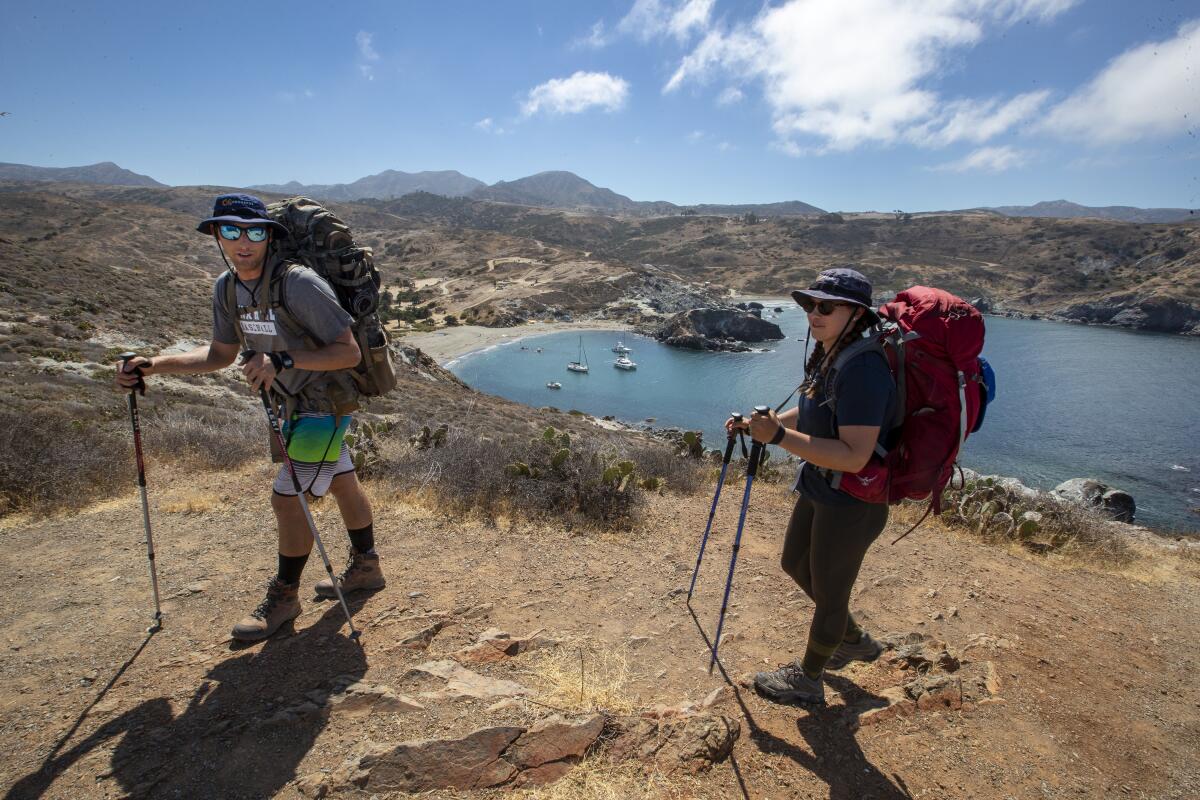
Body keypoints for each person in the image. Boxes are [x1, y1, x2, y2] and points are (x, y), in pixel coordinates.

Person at [115, 193, 385, 641]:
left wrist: (282, 362)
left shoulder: (297, 284)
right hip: (284, 404)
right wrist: (154, 364)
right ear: (217, 235)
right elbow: (220, 354)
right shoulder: (227, 288)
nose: (244, 241)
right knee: (340, 480)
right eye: (231, 231)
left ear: (269, 236)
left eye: (255, 231)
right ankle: (367, 567)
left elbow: (347, 351)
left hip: (324, 403)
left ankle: (285, 595)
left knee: (288, 499)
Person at [728, 268, 897, 706]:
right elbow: (812, 414)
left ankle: (809, 678)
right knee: (794, 564)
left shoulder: (864, 368)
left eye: (826, 307)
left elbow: (855, 454)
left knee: (830, 591)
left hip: (853, 498)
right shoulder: (829, 352)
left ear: (856, 313)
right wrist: (757, 428)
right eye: (809, 305)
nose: (813, 314)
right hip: (821, 484)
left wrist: (779, 439)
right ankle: (854, 639)